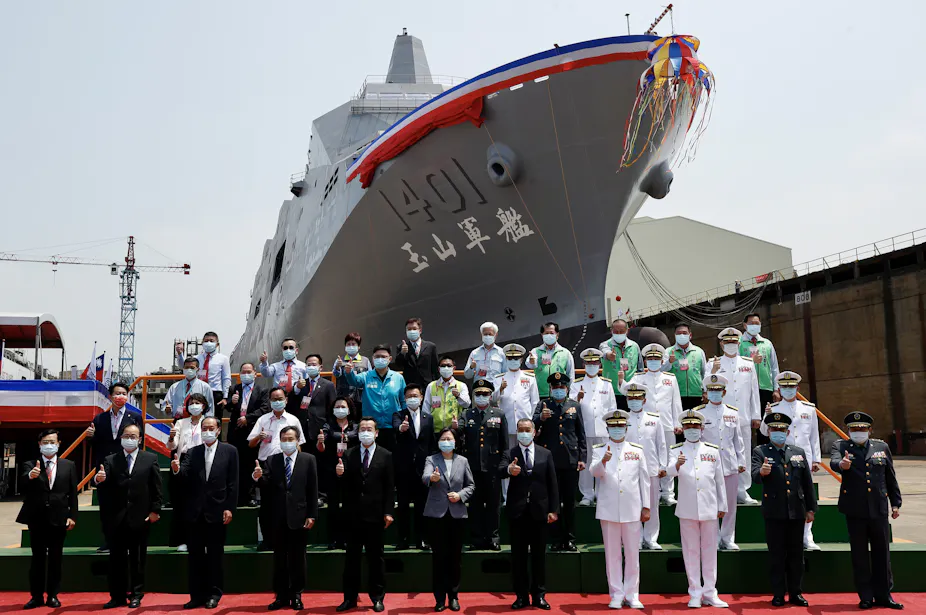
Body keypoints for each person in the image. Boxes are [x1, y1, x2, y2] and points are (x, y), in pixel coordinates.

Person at [830, 412, 903, 610]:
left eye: (862, 429)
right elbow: (834, 461)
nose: (858, 432)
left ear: (870, 430)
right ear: (848, 431)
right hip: (855, 509)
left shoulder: (881, 447)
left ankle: (884, 595)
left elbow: (890, 477)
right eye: (854, 429)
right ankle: (865, 596)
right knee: (860, 555)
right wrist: (842, 465)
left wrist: (895, 503)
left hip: (878, 508)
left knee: (882, 554)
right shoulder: (841, 446)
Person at [173, 416, 238, 610]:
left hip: (217, 510)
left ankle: (214, 593)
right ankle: (196, 595)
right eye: (204, 428)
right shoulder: (192, 452)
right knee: (195, 556)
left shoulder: (230, 451)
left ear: (218, 430)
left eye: (211, 428)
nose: (207, 431)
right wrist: (176, 470)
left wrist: (229, 507)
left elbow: (233, 483)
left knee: (215, 556)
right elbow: (183, 474)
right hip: (195, 512)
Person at [94, 424, 162, 609]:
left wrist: (155, 510)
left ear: (140, 439)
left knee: (137, 559)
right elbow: (102, 478)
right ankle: (117, 596)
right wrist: (98, 479)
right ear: (121, 437)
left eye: (134, 436)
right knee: (116, 559)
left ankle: (136, 594)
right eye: (126, 435)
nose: (130, 439)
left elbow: (156, 487)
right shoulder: (110, 459)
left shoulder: (150, 458)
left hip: (140, 517)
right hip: (116, 518)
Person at [752, 412, 816, 608]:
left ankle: (796, 592)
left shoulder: (798, 452)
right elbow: (754, 475)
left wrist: (811, 509)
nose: (778, 432)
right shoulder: (761, 451)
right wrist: (761, 472)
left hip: (796, 510)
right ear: (769, 432)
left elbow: (807, 482)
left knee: (796, 555)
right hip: (774, 511)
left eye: (781, 429)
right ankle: (779, 593)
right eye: (774, 429)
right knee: (777, 555)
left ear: (787, 432)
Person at [252, 425, 318, 611]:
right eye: (284, 439)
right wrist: (257, 477)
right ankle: (281, 595)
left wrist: (312, 514)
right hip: (278, 517)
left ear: (297, 440)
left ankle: (296, 594)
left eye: (291, 439)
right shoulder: (272, 460)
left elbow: (312, 490)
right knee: (279, 558)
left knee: (298, 558)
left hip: (300, 516)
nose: (287, 443)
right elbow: (266, 484)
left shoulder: (308, 460)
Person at [668, 410, 729, 608]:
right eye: (688, 427)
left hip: (710, 506)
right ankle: (694, 592)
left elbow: (719, 480)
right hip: (687, 508)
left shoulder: (712, 450)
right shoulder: (676, 449)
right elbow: (667, 472)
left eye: (695, 426)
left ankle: (710, 592)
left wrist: (723, 505)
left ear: (702, 429)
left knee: (710, 551)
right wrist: (676, 464)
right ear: (683, 430)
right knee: (690, 551)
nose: (692, 430)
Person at [590, 410, 650, 609]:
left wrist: (646, 506)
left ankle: (632, 594)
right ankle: (616, 593)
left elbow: (644, 480)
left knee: (633, 553)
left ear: (626, 427)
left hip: (632, 508)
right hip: (608, 509)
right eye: (613, 426)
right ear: (607, 428)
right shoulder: (599, 449)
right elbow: (595, 473)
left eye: (620, 426)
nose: (617, 429)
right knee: (612, 554)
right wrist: (603, 461)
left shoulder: (637, 449)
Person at [335, 417, 395, 613]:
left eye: (369, 429)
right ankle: (349, 598)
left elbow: (389, 487)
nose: (366, 432)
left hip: (375, 515)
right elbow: (343, 486)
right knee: (351, 560)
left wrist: (388, 512)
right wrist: (340, 475)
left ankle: (377, 597)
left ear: (376, 432)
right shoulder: (349, 454)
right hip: (353, 516)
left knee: (375, 559)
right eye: (362, 429)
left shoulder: (386, 455)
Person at [500, 419, 559, 610]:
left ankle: (539, 595)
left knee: (539, 556)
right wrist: (510, 470)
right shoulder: (510, 453)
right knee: (518, 557)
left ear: (534, 432)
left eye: (527, 430)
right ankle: (521, 596)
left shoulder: (545, 453)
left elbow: (552, 483)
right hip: (517, 512)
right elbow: (500, 470)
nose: (524, 433)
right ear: (516, 432)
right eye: (520, 430)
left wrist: (554, 509)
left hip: (539, 512)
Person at [760, 371, 822, 549]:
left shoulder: (808, 408)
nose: (788, 390)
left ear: (797, 388)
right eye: (785, 387)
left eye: (791, 387)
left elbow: (814, 435)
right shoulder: (775, 407)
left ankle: (807, 535)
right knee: (788, 493)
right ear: (779, 389)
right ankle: (791, 533)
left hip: (805, 456)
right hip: (783, 457)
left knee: (806, 495)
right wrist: (767, 415)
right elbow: (765, 432)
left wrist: (816, 459)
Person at [17, 429, 78, 610]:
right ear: (39, 444)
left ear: (59, 444)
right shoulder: (30, 464)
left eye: (52, 441)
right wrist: (31, 476)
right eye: (45, 441)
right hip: (37, 519)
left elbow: (73, 494)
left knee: (55, 558)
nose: (49, 445)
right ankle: (36, 596)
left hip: (59, 518)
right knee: (37, 559)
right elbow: (22, 483)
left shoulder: (68, 465)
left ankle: (53, 595)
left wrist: (72, 516)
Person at [422, 428, 475, 612]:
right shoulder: (431, 459)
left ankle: (453, 596)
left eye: (449, 439)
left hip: (457, 514)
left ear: (455, 442)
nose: (446, 441)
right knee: (439, 558)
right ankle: (439, 598)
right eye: (443, 439)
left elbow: (471, 485)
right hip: (436, 514)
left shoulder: (463, 461)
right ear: (438, 442)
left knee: (454, 558)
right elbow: (425, 477)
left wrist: (460, 495)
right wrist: (432, 477)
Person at [708, 328, 761, 506]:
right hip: (720, 416)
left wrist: (756, 415)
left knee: (743, 453)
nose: (730, 345)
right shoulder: (713, 363)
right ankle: (717, 489)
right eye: (727, 342)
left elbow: (754, 391)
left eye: (733, 342)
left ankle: (742, 490)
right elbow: (706, 388)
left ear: (739, 343)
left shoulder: (748, 363)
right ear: (722, 344)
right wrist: (713, 371)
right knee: (720, 451)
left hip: (743, 415)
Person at [533, 372, 586, 552]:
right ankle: (556, 538)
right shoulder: (543, 405)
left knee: (569, 501)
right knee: (553, 502)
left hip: (570, 459)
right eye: (555, 388)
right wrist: (541, 418)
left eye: (561, 388)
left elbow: (580, 434)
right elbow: (532, 426)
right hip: (550, 459)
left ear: (567, 388)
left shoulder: (574, 406)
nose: (558, 390)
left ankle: (569, 538)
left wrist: (582, 457)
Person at [249, 387, 306, 550]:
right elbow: (250, 444)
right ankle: (267, 540)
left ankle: (289, 537)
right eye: (274, 399)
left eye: (280, 398)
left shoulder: (293, 420)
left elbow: (299, 445)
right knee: (266, 504)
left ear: (286, 400)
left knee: (287, 502)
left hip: (288, 464)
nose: (277, 402)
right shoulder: (263, 420)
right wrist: (257, 438)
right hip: (267, 465)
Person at [696, 374, 745, 551]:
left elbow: (738, 441)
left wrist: (741, 461)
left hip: (729, 464)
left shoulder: (732, 413)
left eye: (718, 391)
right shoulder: (699, 413)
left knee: (730, 504)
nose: (714, 394)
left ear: (724, 392)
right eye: (711, 391)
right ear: (706, 393)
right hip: (708, 466)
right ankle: (713, 537)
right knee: (711, 504)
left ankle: (728, 537)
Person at [631, 344, 682, 505]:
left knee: (668, 458)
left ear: (662, 361)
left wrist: (677, 422)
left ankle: (668, 492)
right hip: (648, 424)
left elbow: (676, 403)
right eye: (650, 359)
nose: (653, 361)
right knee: (649, 458)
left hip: (667, 424)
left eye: (656, 359)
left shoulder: (670, 378)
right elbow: (625, 389)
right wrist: (620, 380)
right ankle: (649, 491)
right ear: (645, 361)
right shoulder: (638, 378)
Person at [460, 379, 507, 550]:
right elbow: (459, 436)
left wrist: (503, 465)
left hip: (493, 467)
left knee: (494, 504)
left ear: (490, 395)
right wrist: (455, 428)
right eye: (478, 394)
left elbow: (504, 444)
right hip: (473, 468)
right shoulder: (466, 414)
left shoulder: (499, 414)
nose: (481, 397)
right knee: (475, 505)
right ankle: (477, 538)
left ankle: (493, 537)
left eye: (485, 394)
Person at [621, 382, 667, 550]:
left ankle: (651, 538)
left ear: (644, 399)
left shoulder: (654, 419)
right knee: (633, 504)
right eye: (631, 398)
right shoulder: (622, 419)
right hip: (629, 468)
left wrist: (663, 465)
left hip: (651, 467)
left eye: (637, 398)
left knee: (652, 505)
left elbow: (661, 444)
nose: (634, 401)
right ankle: (637, 538)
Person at [492, 344, 539, 504]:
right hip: (506, 426)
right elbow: (493, 401)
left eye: (516, 358)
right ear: (506, 359)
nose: (513, 361)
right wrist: (500, 390)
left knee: (527, 461)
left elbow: (534, 403)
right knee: (506, 461)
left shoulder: (529, 378)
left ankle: (527, 494)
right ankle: (506, 497)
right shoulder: (498, 379)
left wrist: (531, 425)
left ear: (521, 360)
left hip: (524, 428)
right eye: (510, 358)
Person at [570, 348, 615, 506]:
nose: (591, 365)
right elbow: (570, 407)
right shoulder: (577, 385)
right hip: (584, 430)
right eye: (588, 362)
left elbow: (611, 409)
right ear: (583, 364)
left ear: (599, 363)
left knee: (603, 462)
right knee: (586, 462)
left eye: (594, 362)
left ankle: (602, 493)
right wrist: (578, 398)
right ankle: (587, 495)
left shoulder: (606, 384)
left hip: (602, 429)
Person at [393, 383, 436, 550]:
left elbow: (431, 443)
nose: (412, 399)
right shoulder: (398, 415)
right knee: (402, 505)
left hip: (423, 468)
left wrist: (431, 464)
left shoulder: (428, 417)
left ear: (421, 397)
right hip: (404, 468)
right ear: (405, 399)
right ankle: (402, 539)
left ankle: (422, 539)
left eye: (415, 396)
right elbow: (396, 429)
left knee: (422, 505)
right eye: (409, 396)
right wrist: (401, 428)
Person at [167, 393, 210, 552]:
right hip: (184, 460)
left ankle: (204, 540)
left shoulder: (208, 421)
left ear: (204, 405)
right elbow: (172, 446)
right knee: (183, 503)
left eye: (198, 402)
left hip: (203, 459)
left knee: (202, 502)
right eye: (191, 403)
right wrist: (171, 438)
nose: (194, 405)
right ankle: (184, 540)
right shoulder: (180, 423)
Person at [343, 344, 406, 452]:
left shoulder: (398, 378)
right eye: (377, 357)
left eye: (383, 356)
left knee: (392, 458)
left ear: (390, 359)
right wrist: (348, 373)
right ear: (372, 359)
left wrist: (403, 420)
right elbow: (354, 381)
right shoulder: (366, 376)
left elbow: (403, 401)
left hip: (392, 426)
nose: (380, 359)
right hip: (371, 427)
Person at [226, 362, 270, 507]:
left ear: (255, 373)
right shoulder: (234, 388)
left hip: (252, 432)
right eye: (243, 372)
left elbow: (264, 408)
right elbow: (228, 407)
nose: (246, 374)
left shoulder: (262, 390)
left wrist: (248, 418)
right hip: (236, 432)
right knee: (235, 465)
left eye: (248, 371)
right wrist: (231, 402)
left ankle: (249, 495)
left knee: (250, 464)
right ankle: (234, 496)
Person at [319, 397, 359, 549]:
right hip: (332, 469)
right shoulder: (328, 425)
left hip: (351, 470)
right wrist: (321, 441)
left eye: (343, 406)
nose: (340, 409)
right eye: (337, 406)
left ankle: (349, 538)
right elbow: (321, 448)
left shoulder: (356, 426)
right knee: (333, 506)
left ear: (349, 409)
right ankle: (333, 539)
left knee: (350, 505)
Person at [294, 354, 336, 480]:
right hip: (303, 428)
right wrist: (296, 389)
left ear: (320, 367)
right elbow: (292, 403)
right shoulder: (301, 385)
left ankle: (321, 494)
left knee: (321, 462)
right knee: (304, 462)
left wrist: (328, 428)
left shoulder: (328, 385)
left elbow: (331, 408)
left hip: (320, 429)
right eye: (308, 365)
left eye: (314, 364)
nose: (311, 367)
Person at [86, 382, 146, 469]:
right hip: (104, 463)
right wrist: (90, 436)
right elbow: (93, 443)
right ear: (110, 396)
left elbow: (140, 442)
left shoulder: (135, 418)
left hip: (126, 462)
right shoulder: (100, 418)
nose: (121, 396)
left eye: (124, 394)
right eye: (118, 394)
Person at [738, 314, 781, 412]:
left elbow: (774, 368)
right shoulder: (739, 343)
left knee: (766, 420)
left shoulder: (767, 343)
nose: (754, 326)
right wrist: (751, 361)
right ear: (745, 326)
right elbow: (736, 365)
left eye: (757, 323)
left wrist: (776, 389)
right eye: (751, 323)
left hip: (765, 388)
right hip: (746, 388)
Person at [662, 323, 709, 411]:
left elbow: (704, 373)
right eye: (679, 333)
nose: (681, 335)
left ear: (690, 335)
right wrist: (669, 362)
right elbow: (662, 371)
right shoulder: (669, 351)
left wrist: (705, 390)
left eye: (684, 333)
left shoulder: (698, 351)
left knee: (695, 421)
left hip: (696, 394)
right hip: (676, 395)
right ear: (675, 336)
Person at [599, 319, 643, 408]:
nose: (619, 334)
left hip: (631, 392)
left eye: (621, 331)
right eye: (616, 331)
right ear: (611, 331)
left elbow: (640, 368)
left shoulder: (634, 346)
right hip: (612, 392)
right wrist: (609, 355)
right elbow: (604, 352)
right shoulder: (605, 345)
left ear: (627, 331)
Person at [525, 322, 576, 398]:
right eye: (546, 333)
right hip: (541, 394)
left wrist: (571, 395)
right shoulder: (536, 351)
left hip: (559, 394)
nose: (549, 335)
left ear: (557, 335)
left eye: (552, 333)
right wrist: (531, 361)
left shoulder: (565, 353)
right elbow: (530, 365)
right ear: (542, 335)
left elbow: (571, 375)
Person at [422, 355, 470, 433]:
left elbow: (467, 404)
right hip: (435, 430)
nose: (446, 368)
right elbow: (426, 409)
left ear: (454, 368)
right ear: (439, 369)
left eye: (449, 366)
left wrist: (458, 396)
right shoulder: (432, 386)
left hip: (454, 430)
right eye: (443, 366)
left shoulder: (461, 385)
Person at [194, 331, 232, 428]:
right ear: (202, 343)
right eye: (206, 341)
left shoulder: (223, 359)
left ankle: (216, 442)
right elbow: (185, 367)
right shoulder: (196, 358)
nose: (208, 343)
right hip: (199, 393)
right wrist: (180, 354)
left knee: (215, 422)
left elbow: (226, 378)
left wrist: (225, 397)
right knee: (197, 421)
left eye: (211, 341)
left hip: (215, 393)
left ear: (217, 344)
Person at [259, 339, 308, 410]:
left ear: (296, 351)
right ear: (282, 351)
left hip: (297, 397)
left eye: (291, 347)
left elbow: (307, 383)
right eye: (285, 348)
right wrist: (264, 363)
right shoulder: (276, 366)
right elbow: (266, 374)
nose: (288, 350)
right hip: (279, 399)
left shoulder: (303, 366)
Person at [333, 332, 371, 419]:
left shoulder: (365, 360)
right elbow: (336, 375)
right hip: (344, 397)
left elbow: (369, 377)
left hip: (360, 398)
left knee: (359, 419)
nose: (351, 346)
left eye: (353, 344)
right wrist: (338, 366)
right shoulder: (340, 360)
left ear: (359, 346)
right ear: (345, 347)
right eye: (348, 344)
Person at [395, 317, 440, 388]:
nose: (412, 331)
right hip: (410, 386)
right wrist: (402, 353)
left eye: (414, 329)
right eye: (409, 329)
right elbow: (398, 365)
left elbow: (435, 368)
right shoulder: (401, 347)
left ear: (420, 330)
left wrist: (437, 384)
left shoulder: (430, 346)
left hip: (428, 386)